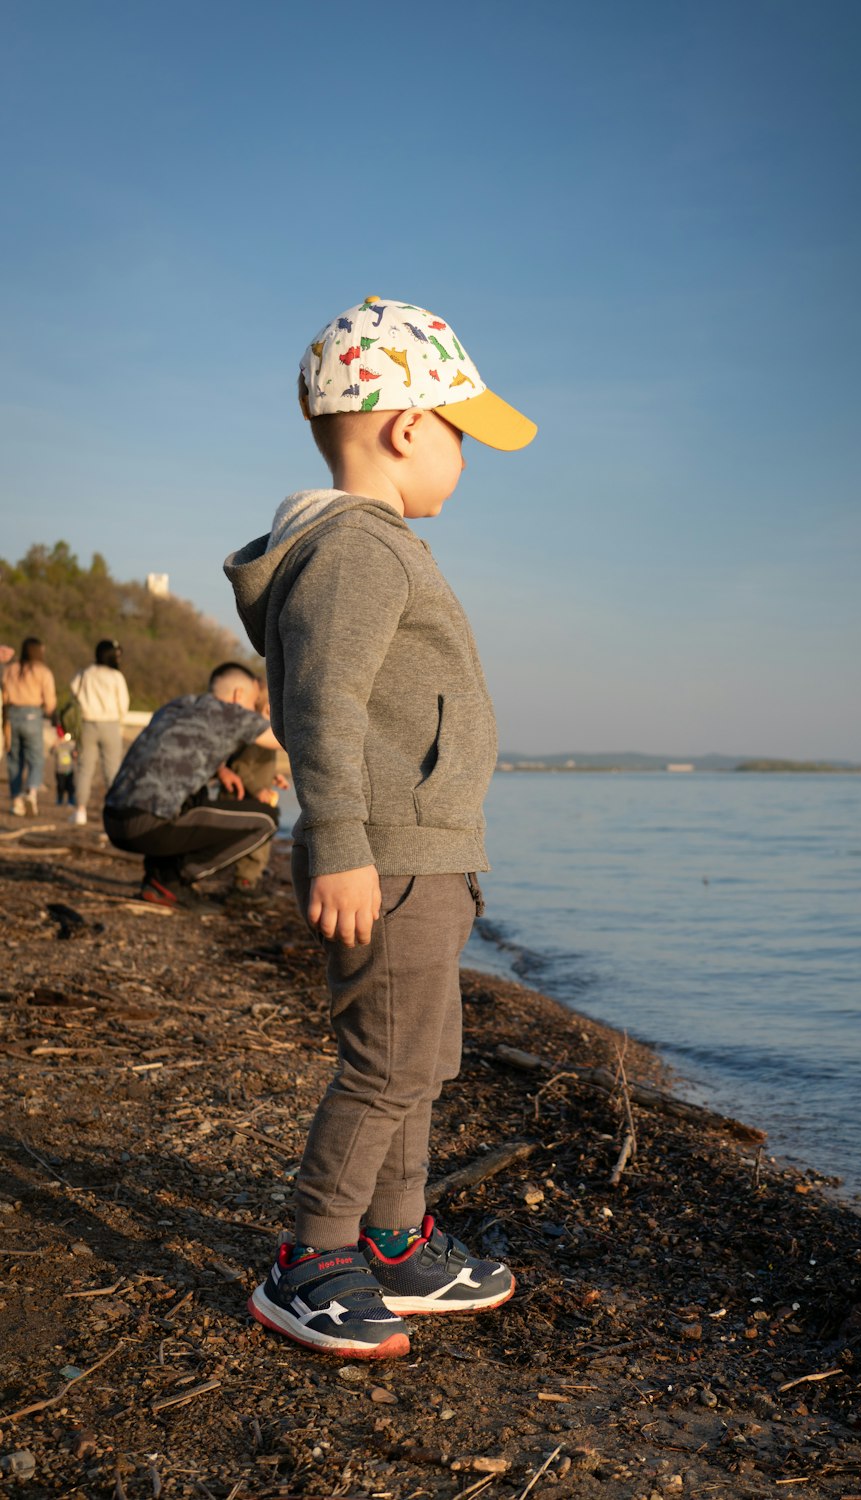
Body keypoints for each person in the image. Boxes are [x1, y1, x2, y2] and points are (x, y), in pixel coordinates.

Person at [225, 294, 537, 1359]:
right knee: (385, 1065)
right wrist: (343, 845)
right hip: (387, 856)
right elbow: (320, 703)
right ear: (408, 426)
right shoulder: (359, 549)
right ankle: (310, 1257)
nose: (464, 456)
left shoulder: (377, 546)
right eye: (461, 433)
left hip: (425, 852)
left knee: (422, 1055)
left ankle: (395, 1241)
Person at [103, 662, 281, 911]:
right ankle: (170, 880)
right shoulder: (231, 713)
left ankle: (161, 875)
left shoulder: (177, 706)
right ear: (238, 695)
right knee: (266, 819)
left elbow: (176, 750)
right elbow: (285, 740)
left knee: (196, 795)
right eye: (253, 702)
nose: (252, 709)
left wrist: (221, 769)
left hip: (113, 819)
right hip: (146, 826)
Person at [226, 685, 289, 905]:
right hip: (249, 799)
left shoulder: (268, 735)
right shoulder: (258, 736)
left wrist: (274, 777)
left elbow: (258, 767)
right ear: (269, 709)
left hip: (258, 798)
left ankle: (249, 880)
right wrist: (258, 789)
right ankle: (244, 884)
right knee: (256, 845)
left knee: (262, 844)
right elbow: (240, 767)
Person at [68, 638, 130, 826]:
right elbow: (124, 703)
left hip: (87, 724)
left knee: (85, 768)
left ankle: (80, 811)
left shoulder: (86, 673)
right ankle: (114, 810)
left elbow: (73, 689)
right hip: (110, 724)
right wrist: (119, 719)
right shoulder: (116, 676)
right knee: (112, 769)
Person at [3, 637, 57, 816]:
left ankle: (16, 800)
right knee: (35, 759)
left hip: (12, 716)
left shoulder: (11, 669)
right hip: (33, 715)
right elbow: (50, 702)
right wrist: (49, 712)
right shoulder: (43, 671)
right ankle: (31, 792)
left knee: (14, 760)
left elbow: (4, 694)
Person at [52, 729, 77, 806]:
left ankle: (71, 800)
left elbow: (75, 754)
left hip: (69, 770)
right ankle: (59, 799)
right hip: (59, 771)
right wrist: (56, 743)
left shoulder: (71, 744)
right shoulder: (57, 746)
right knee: (60, 786)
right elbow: (52, 752)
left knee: (71, 786)